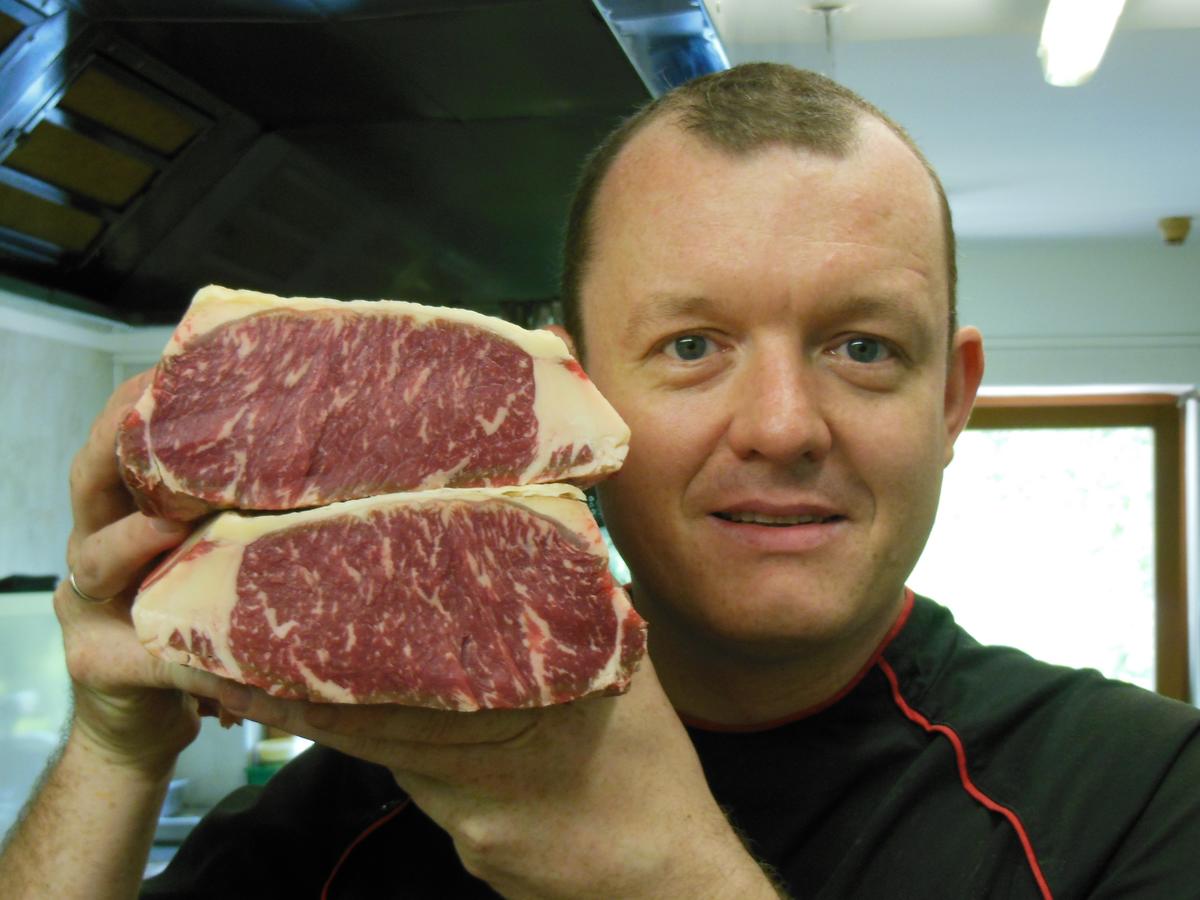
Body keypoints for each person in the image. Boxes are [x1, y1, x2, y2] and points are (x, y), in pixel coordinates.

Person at [2, 63, 1198, 899]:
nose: (784, 426)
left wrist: (663, 878)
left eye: (864, 348)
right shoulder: (357, 805)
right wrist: (113, 749)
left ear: (950, 401)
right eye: (692, 346)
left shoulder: (1144, 799)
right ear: (571, 398)